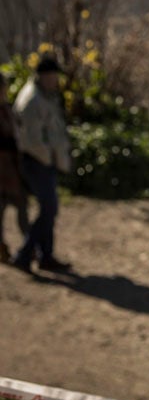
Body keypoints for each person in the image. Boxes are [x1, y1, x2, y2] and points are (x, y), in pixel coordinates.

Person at [8, 54, 72, 273]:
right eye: (53, 76)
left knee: (49, 210)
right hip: (37, 162)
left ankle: (46, 256)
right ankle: (25, 254)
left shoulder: (46, 96)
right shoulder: (32, 100)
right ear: (44, 76)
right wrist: (49, 157)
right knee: (48, 209)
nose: (56, 80)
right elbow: (32, 141)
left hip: (44, 161)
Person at [0, 72, 30, 262]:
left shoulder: (8, 109)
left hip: (13, 168)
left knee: (22, 207)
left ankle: (29, 246)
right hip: (2, 169)